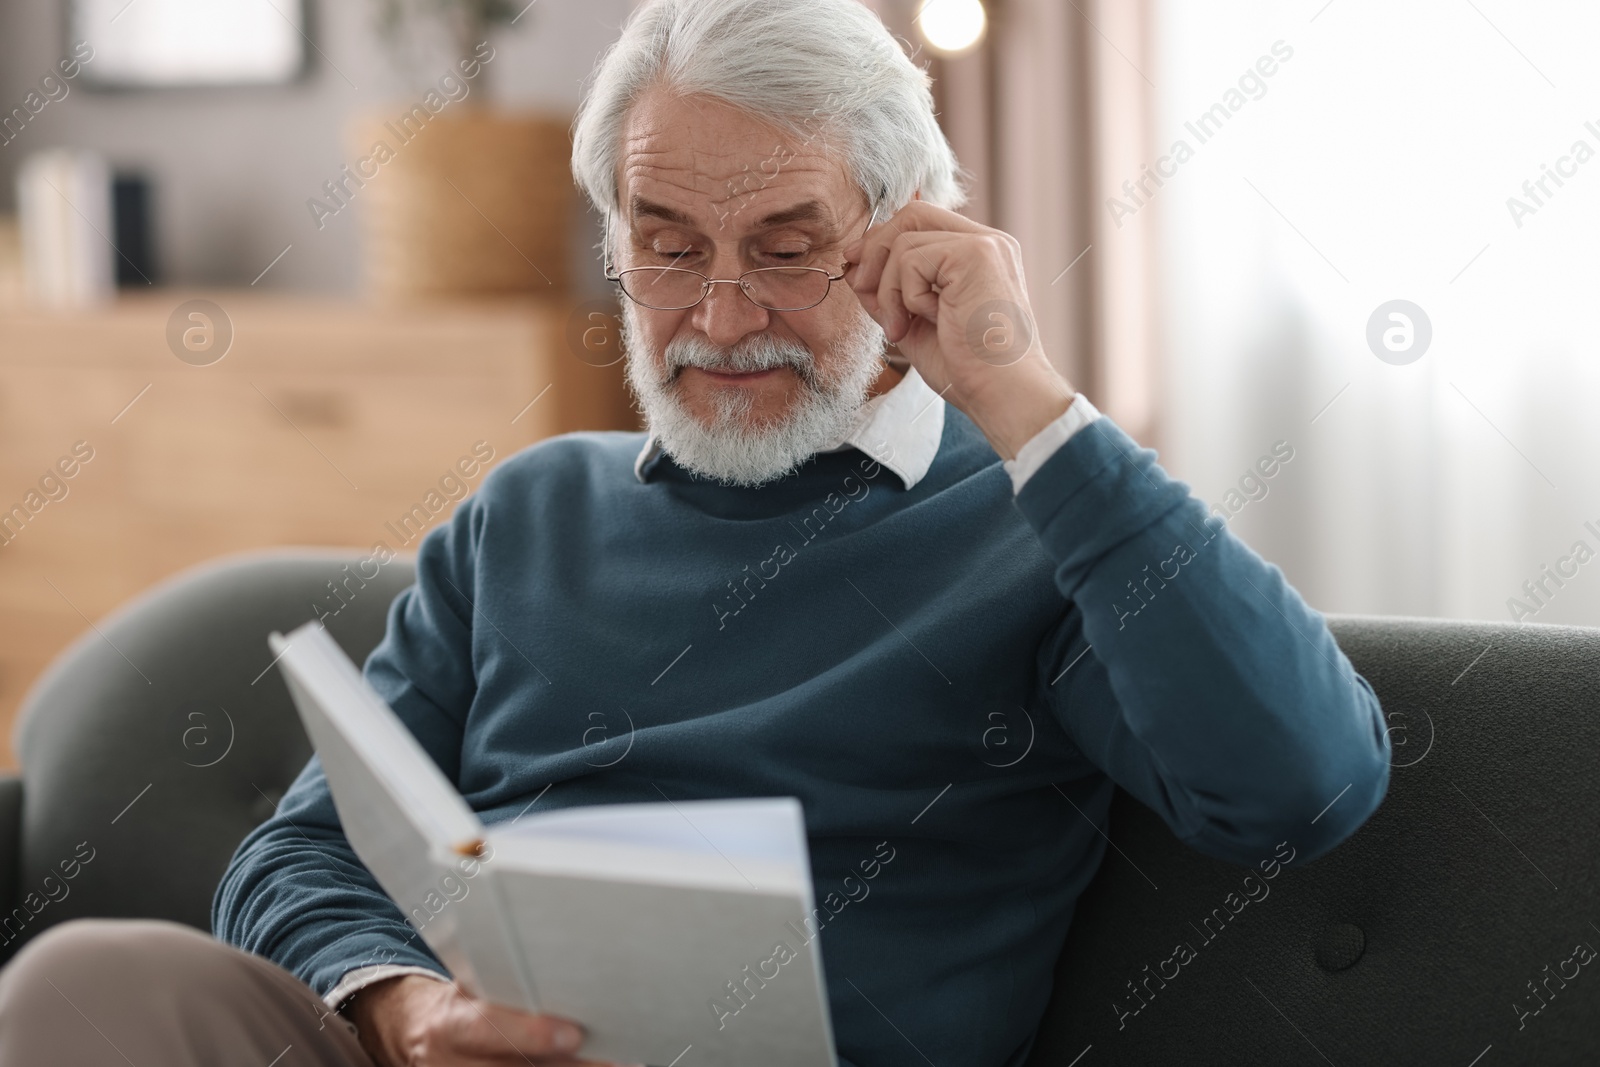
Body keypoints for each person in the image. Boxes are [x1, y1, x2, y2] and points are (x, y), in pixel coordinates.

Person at [0, 0, 1391, 1064]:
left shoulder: (1037, 525)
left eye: (787, 248)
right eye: (667, 246)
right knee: (89, 981)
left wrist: (1024, 394)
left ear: (909, 238)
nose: (720, 319)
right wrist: (405, 1007)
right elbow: (299, 855)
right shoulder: (529, 511)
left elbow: (1302, 783)